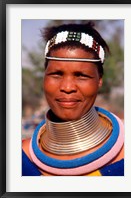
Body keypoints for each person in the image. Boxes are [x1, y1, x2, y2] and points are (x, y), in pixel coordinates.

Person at [22, 22, 124, 176]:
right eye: (56, 74)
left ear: (99, 80)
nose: (67, 87)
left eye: (81, 75)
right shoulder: (19, 160)